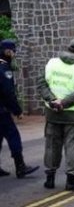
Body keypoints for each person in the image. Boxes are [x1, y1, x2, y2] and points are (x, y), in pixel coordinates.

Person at [37, 38, 74, 191]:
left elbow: (41, 83)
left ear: (67, 48)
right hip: (72, 115)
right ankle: (71, 180)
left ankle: (50, 179)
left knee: (51, 146)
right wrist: (64, 103)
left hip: (52, 112)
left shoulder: (52, 63)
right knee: (72, 146)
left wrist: (53, 100)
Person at [0, 39, 39, 178]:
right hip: (2, 111)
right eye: (13, 51)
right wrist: (18, 111)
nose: (14, 54)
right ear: (7, 51)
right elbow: (8, 93)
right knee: (13, 136)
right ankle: (20, 166)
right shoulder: (4, 69)